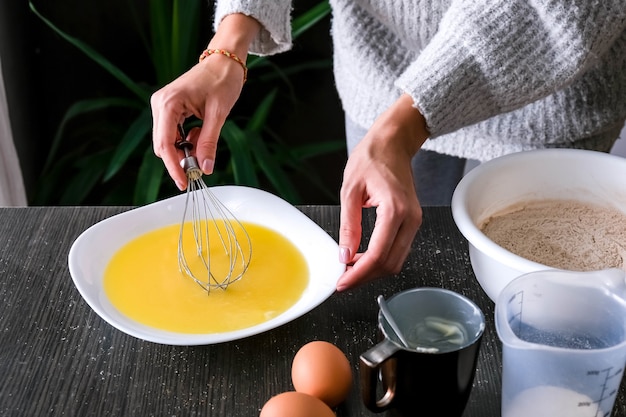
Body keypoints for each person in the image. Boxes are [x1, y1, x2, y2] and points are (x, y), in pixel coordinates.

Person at [151, 1, 626, 292]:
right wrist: (230, 43)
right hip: (380, 81)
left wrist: (404, 126)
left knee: (531, 307)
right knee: (401, 270)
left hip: (545, 95)